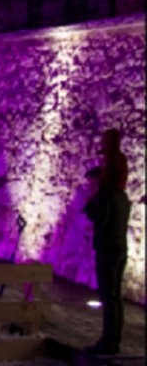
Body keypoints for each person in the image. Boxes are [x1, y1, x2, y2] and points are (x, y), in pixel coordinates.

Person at [83, 129, 130, 356]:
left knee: (108, 296)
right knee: (115, 296)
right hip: (119, 248)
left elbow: (98, 216)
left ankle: (109, 342)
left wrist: (93, 195)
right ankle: (113, 339)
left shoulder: (108, 194)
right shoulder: (122, 196)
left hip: (108, 249)